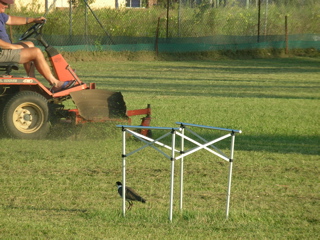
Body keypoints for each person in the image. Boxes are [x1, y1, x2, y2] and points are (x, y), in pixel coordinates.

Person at [0, 0, 75, 92]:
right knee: (36, 52)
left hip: (4, 49)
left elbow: (11, 19)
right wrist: (11, 47)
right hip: (2, 52)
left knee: (29, 45)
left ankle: (30, 81)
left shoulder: (1, 15)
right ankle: (55, 83)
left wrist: (33, 20)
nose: (6, 6)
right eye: (4, 3)